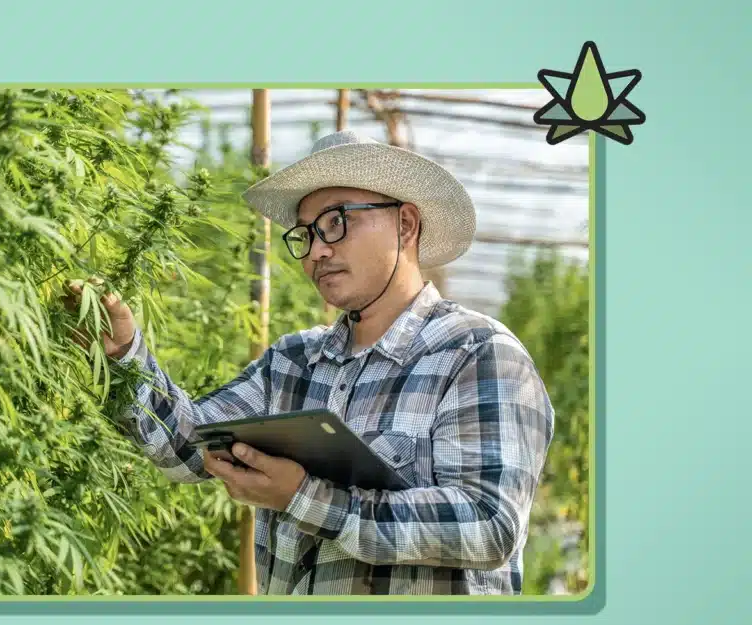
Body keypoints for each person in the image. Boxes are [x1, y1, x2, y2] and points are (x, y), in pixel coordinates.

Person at [64, 129, 554, 595]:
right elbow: (190, 445)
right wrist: (123, 353)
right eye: (306, 234)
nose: (317, 250)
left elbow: (487, 524)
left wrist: (305, 497)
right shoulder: (293, 362)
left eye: (338, 222)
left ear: (405, 224)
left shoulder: (477, 353)